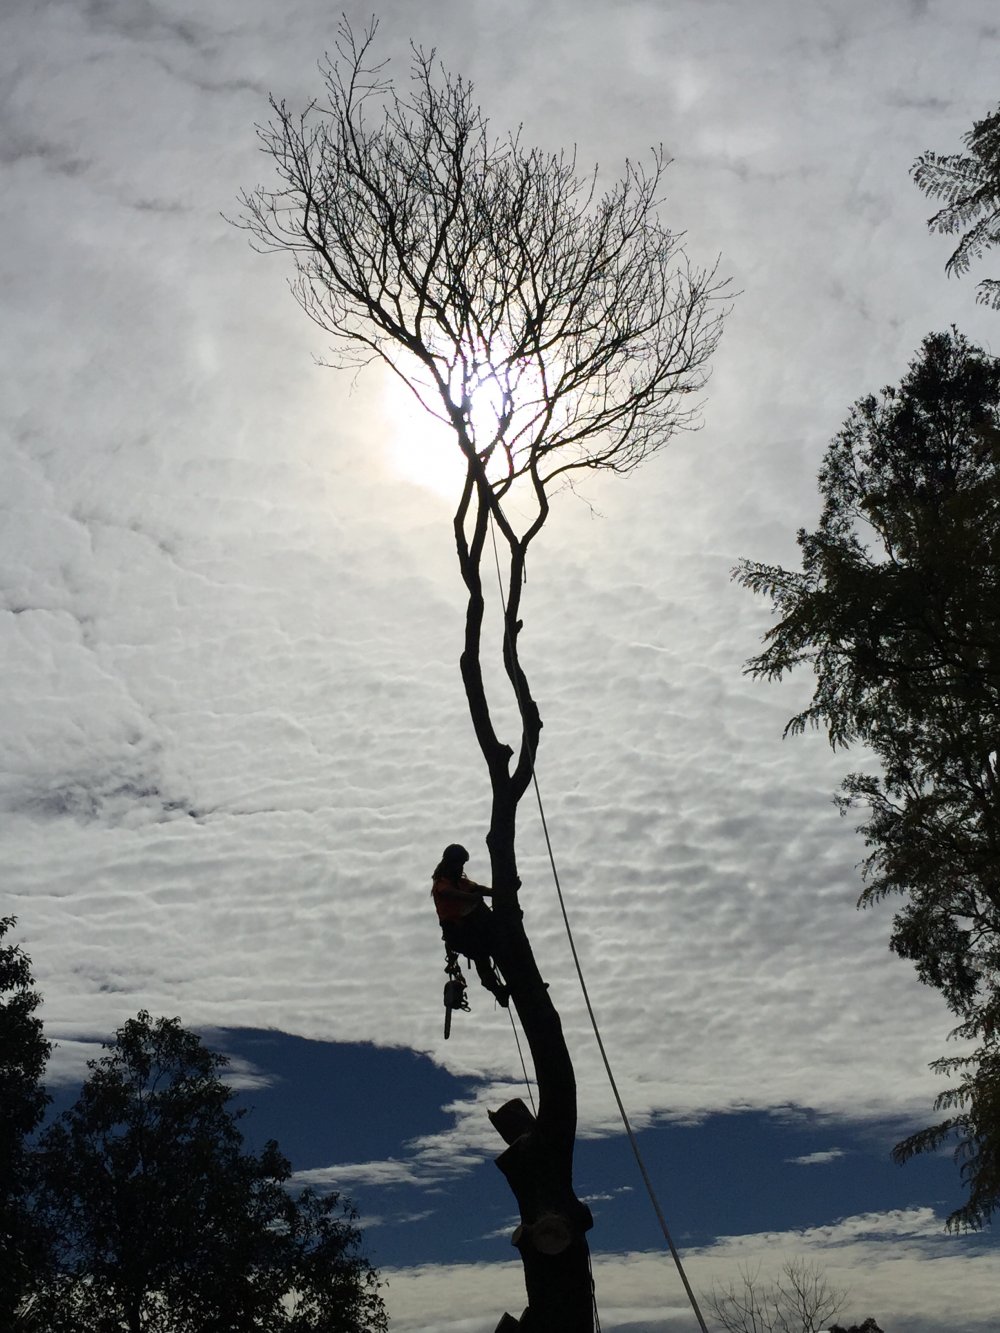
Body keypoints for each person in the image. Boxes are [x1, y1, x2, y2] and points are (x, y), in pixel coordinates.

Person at [431, 844, 509, 1007]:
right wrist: (471, 898)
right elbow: (451, 894)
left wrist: (499, 892)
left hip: (471, 930)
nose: (460, 868)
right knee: (481, 956)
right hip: (458, 934)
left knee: (487, 952)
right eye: (459, 864)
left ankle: (501, 987)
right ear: (451, 864)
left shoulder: (462, 883)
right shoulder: (442, 884)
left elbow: (478, 888)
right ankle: (496, 988)